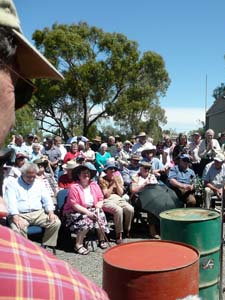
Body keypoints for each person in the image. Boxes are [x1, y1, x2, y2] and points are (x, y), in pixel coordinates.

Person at [0, 2, 109, 298]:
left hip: (40, 214)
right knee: (82, 217)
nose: (14, 115)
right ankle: (56, 247)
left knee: (69, 217)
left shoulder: (74, 184)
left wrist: (50, 210)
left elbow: (51, 202)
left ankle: (44, 249)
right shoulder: (66, 290)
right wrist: (13, 218)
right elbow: (67, 203)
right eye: (21, 90)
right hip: (25, 218)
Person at [4, 162, 61, 249]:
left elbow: (47, 199)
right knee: (18, 229)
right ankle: (25, 249)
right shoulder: (13, 184)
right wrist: (15, 216)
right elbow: (11, 202)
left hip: (38, 213)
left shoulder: (39, 183)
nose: (31, 179)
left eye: (33, 176)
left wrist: (50, 212)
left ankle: (44, 246)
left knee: (55, 222)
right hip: (20, 214)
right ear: (22, 174)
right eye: (29, 176)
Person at [63, 163, 109, 255]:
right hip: (74, 211)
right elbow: (74, 204)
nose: (86, 174)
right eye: (83, 173)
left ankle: (101, 239)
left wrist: (98, 208)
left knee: (100, 215)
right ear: (78, 175)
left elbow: (100, 198)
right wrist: (88, 213)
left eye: (88, 172)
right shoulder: (74, 187)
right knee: (87, 219)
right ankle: (78, 244)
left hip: (92, 209)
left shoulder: (94, 185)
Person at [99, 162, 134, 243]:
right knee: (118, 210)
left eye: (114, 169)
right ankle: (119, 233)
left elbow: (121, 193)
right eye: (110, 169)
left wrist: (116, 182)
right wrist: (112, 184)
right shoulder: (102, 179)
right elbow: (106, 195)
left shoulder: (117, 178)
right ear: (106, 170)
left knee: (130, 209)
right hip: (106, 199)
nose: (113, 170)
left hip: (117, 197)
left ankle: (126, 229)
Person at [202, 152, 225, 225]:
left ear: (222, 162)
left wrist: (222, 190)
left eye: (218, 161)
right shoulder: (208, 166)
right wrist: (216, 190)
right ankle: (207, 212)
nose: (216, 162)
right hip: (211, 187)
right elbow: (206, 182)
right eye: (215, 161)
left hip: (222, 188)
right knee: (206, 190)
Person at [130, 161, 160, 238]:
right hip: (138, 198)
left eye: (148, 168)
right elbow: (133, 190)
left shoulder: (152, 176)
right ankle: (152, 229)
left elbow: (157, 187)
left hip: (151, 197)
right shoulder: (136, 176)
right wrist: (144, 185)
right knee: (152, 205)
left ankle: (159, 226)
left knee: (159, 203)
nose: (147, 170)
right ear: (141, 168)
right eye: (145, 168)